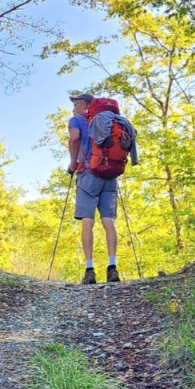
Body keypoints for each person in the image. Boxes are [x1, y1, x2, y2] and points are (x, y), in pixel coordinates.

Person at [67, 91, 120, 284]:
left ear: (84, 105)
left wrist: (73, 162)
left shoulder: (76, 121)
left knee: (87, 220)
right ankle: (112, 267)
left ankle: (90, 270)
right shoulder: (109, 121)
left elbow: (74, 138)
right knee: (108, 221)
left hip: (88, 173)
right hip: (110, 174)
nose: (73, 109)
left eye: (75, 105)